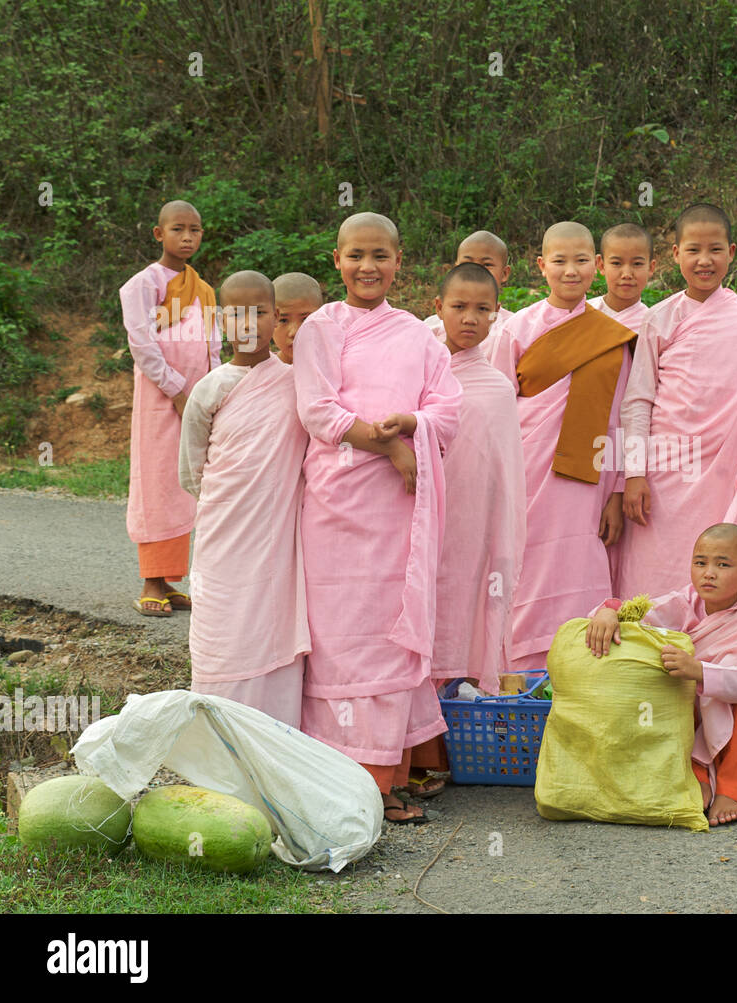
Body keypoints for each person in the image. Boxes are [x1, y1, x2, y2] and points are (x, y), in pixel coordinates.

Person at [294, 211, 463, 823]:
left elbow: (449, 406)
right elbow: (318, 411)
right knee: (343, 637)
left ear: (399, 261)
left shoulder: (419, 336)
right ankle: (342, 773)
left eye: (380, 256)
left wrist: (413, 427)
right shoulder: (320, 328)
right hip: (339, 504)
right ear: (336, 260)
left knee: (394, 632)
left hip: (400, 507)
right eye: (356, 255)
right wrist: (386, 443)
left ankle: (387, 773)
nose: (368, 267)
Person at [585, 523, 737, 826]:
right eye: (700, 563)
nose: (709, 573)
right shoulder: (685, 603)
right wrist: (610, 610)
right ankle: (700, 773)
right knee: (658, 682)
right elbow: (635, 614)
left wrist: (699, 671)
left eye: (723, 564)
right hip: (704, 731)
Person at [492, 221, 635, 671]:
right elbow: (495, 406)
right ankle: (512, 669)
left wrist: (617, 490)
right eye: (559, 261)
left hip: (585, 478)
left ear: (596, 265)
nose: (570, 271)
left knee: (577, 560)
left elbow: (620, 420)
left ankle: (576, 664)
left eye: (580, 261)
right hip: (524, 468)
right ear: (541, 266)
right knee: (522, 562)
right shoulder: (517, 328)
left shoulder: (613, 335)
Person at [617, 203, 737, 598]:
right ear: (675, 254)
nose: (704, 261)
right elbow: (638, 400)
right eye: (693, 250)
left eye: (715, 250)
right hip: (664, 470)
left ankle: (706, 654)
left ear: (732, 252)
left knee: (715, 565)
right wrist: (634, 474)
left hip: (722, 474)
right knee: (652, 570)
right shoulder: (659, 318)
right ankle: (645, 644)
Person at [178, 271, 310, 726]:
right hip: (223, 533)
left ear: (276, 318)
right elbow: (192, 470)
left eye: (259, 311)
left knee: (270, 634)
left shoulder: (297, 382)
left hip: (275, 541)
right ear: (220, 321)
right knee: (220, 635)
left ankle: (274, 750)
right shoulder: (209, 388)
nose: (248, 322)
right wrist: (234, 499)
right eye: (236, 312)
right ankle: (216, 748)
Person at [119, 199, 220, 617]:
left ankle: (171, 579)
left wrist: (210, 392)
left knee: (188, 482)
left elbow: (214, 345)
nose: (187, 237)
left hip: (197, 397)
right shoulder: (143, 284)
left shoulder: (205, 289)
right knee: (157, 482)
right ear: (159, 234)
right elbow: (141, 343)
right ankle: (151, 579)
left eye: (195, 230)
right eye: (178, 229)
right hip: (161, 399)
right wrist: (176, 389)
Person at [429, 262, 526, 695]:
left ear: (496, 314)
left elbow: (502, 477)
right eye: (459, 306)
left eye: (481, 309)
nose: (469, 318)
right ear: (438, 308)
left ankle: (451, 722)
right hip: (413, 514)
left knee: (462, 613)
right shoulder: (416, 368)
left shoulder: (497, 388)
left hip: (469, 525)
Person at [424, 230, 514, 362]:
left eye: (487, 265)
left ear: (505, 273)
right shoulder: (431, 326)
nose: (475, 271)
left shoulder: (512, 328)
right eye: (467, 263)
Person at [588, 222, 656, 332]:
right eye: (616, 263)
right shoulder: (584, 314)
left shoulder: (652, 326)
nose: (627, 274)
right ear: (601, 265)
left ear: (651, 267)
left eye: (637, 264)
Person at [271, 272, 325, 364]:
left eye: (305, 319)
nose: (295, 332)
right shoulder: (258, 372)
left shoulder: (338, 366)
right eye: (283, 320)